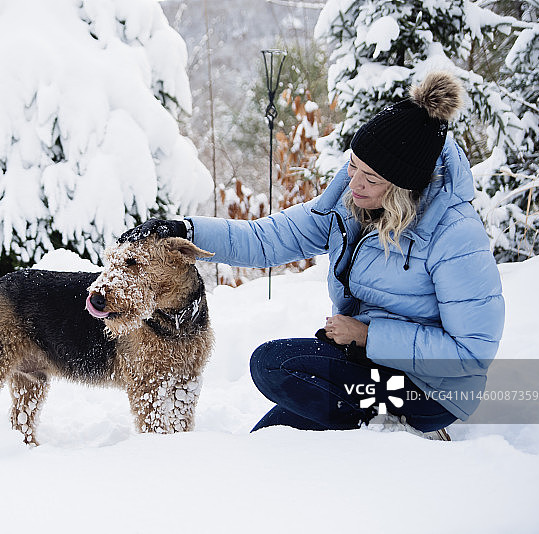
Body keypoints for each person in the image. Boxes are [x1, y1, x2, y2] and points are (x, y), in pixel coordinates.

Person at [119, 72, 505, 437]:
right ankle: (357, 434)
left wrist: (369, 335)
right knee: (269, 439)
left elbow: (470, 354)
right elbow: (267, 238)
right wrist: (185, 229)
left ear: (404, 188)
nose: (353, 183)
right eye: (353, 167)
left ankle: (391, 434)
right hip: (367, 363)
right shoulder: (349, 201)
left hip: (430, 390)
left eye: (370, 178)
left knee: (272, 365)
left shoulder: (454, 235)